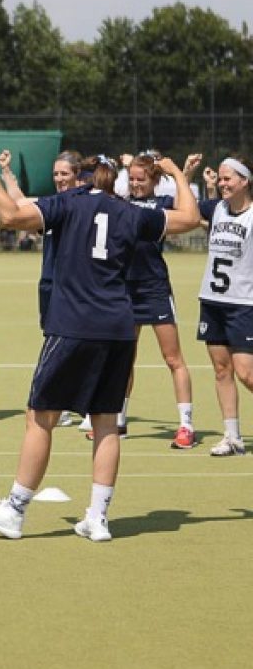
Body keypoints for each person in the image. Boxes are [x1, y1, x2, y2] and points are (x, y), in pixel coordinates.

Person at [0, 148, 199, 542]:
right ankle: (98, 518)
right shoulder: (131, 212)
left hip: (73, 326)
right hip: (119, 329)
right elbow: (190, 218)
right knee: (107, 423)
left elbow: (8, 215)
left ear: (83, 178)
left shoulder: (68, 203)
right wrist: (177, 174)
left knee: (41, 417)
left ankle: (15, 510)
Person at [116, 150, 202, 448]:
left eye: (141, 179)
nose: (136, 184)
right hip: (125, 290)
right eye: (132, 179)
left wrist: (180, 173)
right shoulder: (121, 204)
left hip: (154, 288)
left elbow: (188, 210)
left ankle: (186, 425)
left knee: (172, 357)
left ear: (153, 180)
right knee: (124, 357)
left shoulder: (163, 205)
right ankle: (119, 420)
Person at [0, 148, 82, 428]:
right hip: (50, 283)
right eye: (56, 174)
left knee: (76, 344)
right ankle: (65, 405)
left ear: (77, 175)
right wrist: (6, 172)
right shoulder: (51, 204)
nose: (60, 178)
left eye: (65, 173)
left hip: (76, 286)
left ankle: (82, 402)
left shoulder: (82, 205)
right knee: (54, 343)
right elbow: (20, 202)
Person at [195, 155, 253, 457]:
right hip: (213, 301)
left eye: (228, 177)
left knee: (247, 374)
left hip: (244, 304)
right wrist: (186, 173)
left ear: (245, 180)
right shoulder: (216, 208)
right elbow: (184, 209)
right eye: (220, 177)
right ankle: (232, 437)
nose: (222, 182)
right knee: (221, 370)